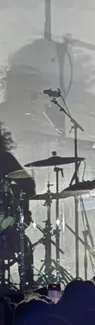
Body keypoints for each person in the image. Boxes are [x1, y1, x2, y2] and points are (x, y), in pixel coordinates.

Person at [0, 121, 36, 287]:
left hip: (7, 222)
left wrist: (18, 210)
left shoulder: (5, 159)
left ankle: (27, 287)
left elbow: (28, 185)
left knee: (24, 246)